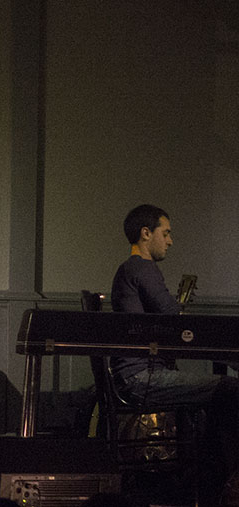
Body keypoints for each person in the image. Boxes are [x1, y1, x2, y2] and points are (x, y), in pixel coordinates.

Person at [111, 204, 239, 503]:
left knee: (221, 396)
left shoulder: (130, 270)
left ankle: (212, 478)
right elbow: (173, 317)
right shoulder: (141, 268)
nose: (169, 241)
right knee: (231, 389)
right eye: (165, 233)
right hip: (142, 380)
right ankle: (227, 483)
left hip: (136, 376)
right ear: (146, 233)